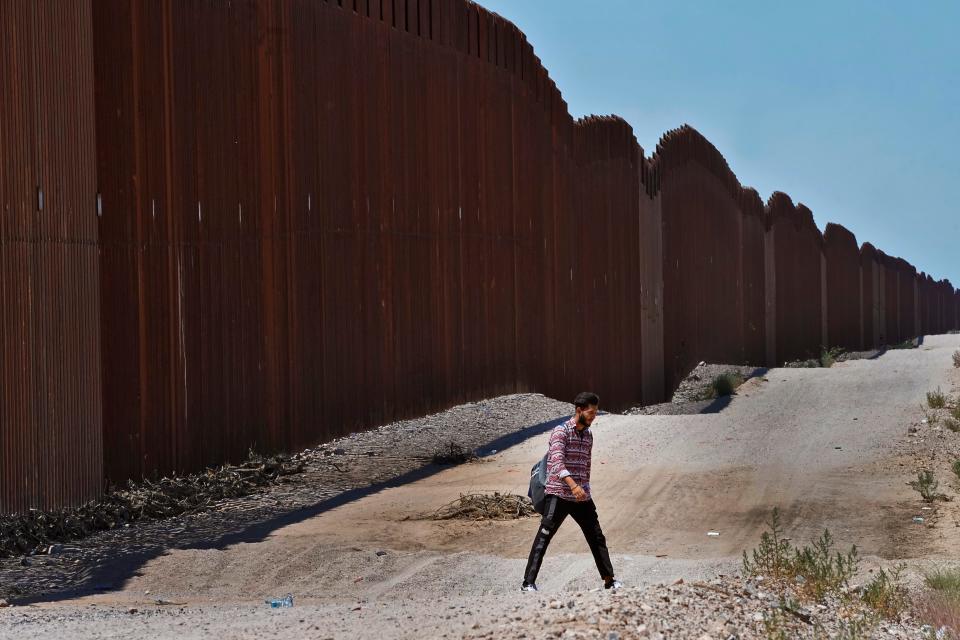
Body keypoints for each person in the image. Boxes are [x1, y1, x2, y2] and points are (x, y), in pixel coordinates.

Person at [521, 391, 621, 592]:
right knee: (544, 536)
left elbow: (586, 465)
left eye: (596, 412)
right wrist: (573, 485)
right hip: (559, 494)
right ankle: (527, 583)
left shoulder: (588, 435)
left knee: (596, 536)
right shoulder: (561, 432)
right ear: (579, 410)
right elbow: (556, 462)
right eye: (591, 412)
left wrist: (584, 488)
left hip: (581, 496)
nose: (594, 416)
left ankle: (610, 580)